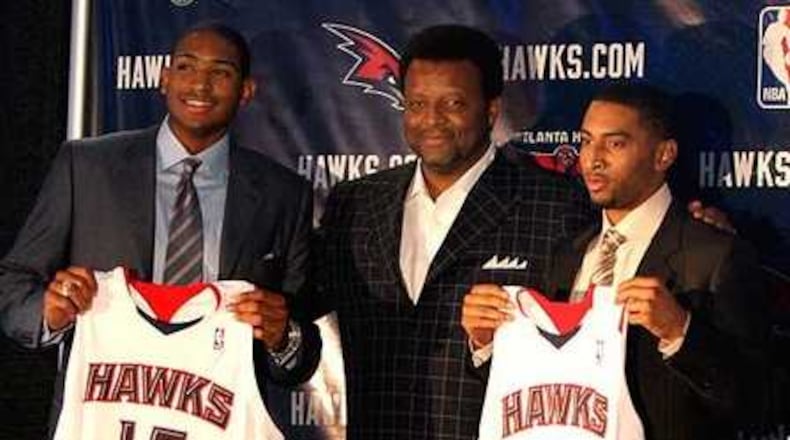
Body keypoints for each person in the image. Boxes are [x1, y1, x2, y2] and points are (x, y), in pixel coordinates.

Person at [0, 21, 320, 431]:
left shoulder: (283, 194)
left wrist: (283, 337)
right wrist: (48, 312)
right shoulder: (86, 167)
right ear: (164, 79)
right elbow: (13, 286)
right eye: (186, 67)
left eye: (220, 72)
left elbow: (299, 345)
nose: (200, 86)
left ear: (246, 91)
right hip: (101, 422)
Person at [311, 25, 593, 439]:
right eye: (418, 103)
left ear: (492, 109)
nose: (431, 121)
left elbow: (584, 351)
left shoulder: (556, 205)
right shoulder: (355, 203)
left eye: (453, 103)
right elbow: (299, 307)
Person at [463, 83, 768, 439]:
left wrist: (680, 333)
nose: (593, 159)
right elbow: (545, 388)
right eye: (587, 140)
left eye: (615, 143)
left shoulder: (716, 255)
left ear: (664, 155)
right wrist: (485, 345)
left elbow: (757, 403)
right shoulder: (567, 253)